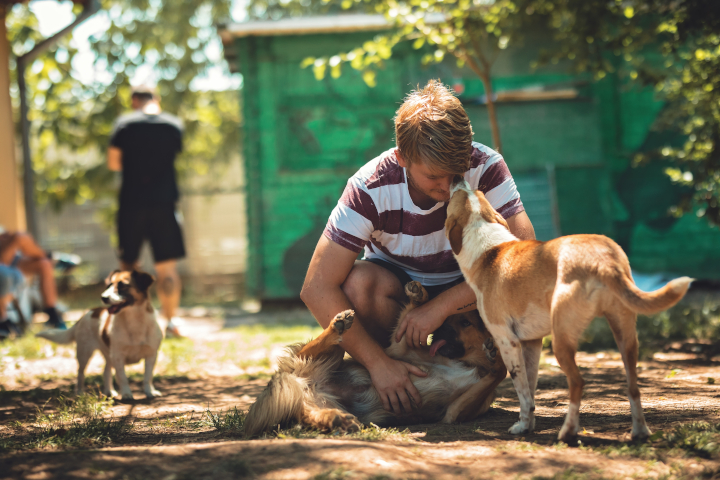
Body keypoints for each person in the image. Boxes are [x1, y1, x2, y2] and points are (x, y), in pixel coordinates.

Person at [300, 80, 537, 415]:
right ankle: (397, 378)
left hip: (471, 294)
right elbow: (316, 287)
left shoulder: (485, 164)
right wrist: (378, 363)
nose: (449, 186)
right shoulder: (369, 187)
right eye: (434, 176)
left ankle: (474, 375)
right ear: (402, 158)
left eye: (457, 173)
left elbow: (525, 257)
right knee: (359, 285)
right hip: (398, 299)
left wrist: (440, 306)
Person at [107, 85, 186, 338]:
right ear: (157, 100)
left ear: (134, 101)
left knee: (128, 267)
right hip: (164, 204)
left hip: (132, 203)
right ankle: (171, 323)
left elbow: (113, 163)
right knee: (167, 269)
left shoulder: (124, 125)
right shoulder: (173, 125)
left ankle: (128, 324)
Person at [0, 228, 67, 334]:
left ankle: (52, 315)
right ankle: (52, 258)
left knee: (44, 264)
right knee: (19, 237)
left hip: (8, 257)